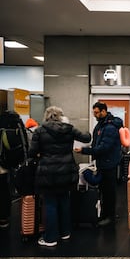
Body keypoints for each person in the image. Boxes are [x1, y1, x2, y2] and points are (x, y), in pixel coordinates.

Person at [29, 106, 91, 247]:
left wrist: (41, 153)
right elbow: (87, 137)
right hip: (67, 171)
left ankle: (50, 238)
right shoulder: (69, 129)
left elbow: (32, 152)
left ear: (46, 116)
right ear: (61, 116)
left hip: (48, 173)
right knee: (64, 201)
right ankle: (65, 233)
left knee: (50, 203)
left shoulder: (39, 131)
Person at [75, 101, 122, 227]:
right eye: (93, 112)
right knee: (104, 190)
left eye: (96, 112)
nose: (95, 115)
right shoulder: (101, 126)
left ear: (103, 111)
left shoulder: (110, 128)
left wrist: (84, 150)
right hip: (103, 163)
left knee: (109, 192)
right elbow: (97, 144)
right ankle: (105, 214)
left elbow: (103, 148)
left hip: (109, 164)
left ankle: (110, 217)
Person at [0, 110, 27, 229]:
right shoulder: (17, 126)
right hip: (7, 164)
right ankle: (4, 218)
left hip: (2, 162)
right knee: (4, 190)